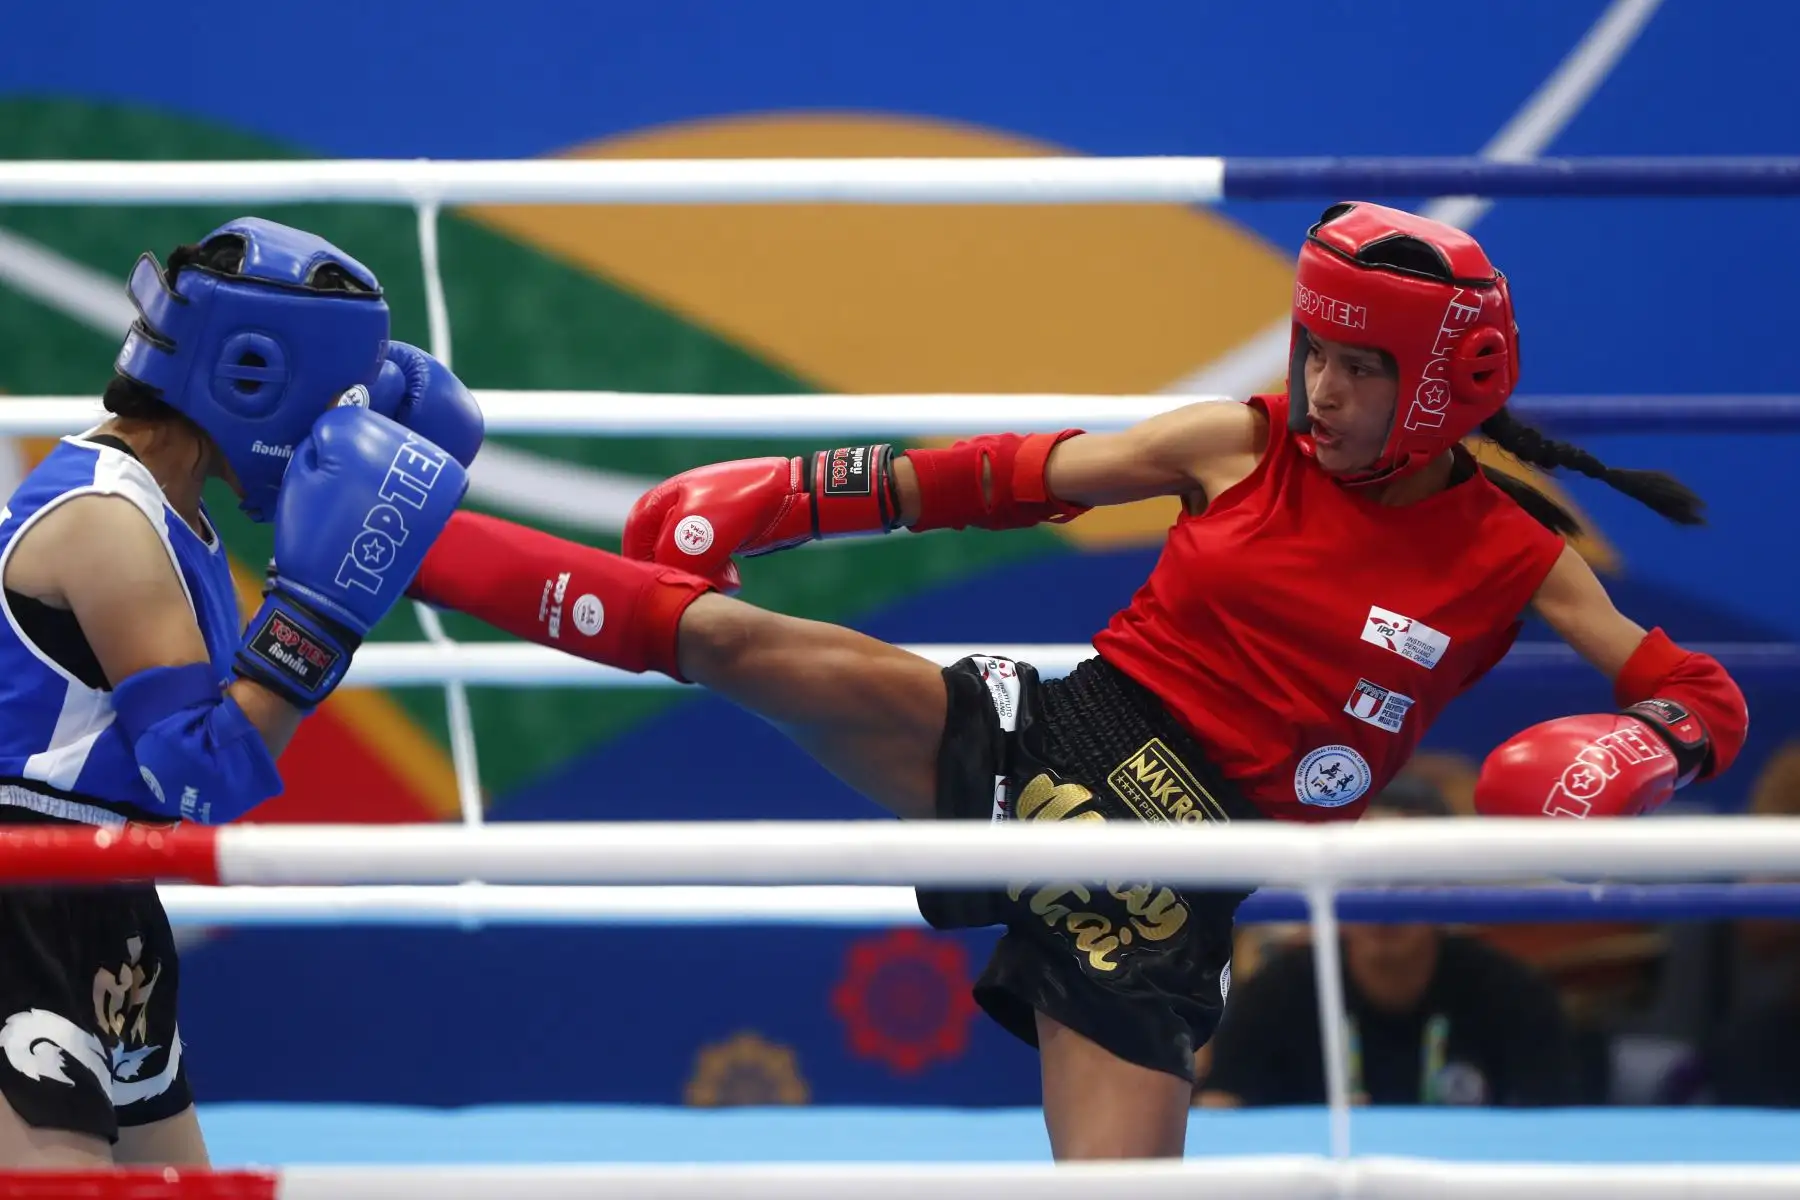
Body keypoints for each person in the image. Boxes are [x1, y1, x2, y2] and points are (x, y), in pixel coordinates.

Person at [400, 201, 1750, 1159]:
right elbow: (1014, 475)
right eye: (1317, 355)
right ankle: (401, 527)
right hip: (1056, 732)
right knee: (748, 645)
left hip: (1179, 872)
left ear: (1451, 387)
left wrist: (1639, 750)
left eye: (1362, 369)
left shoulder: (1514, 557)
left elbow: (1697, 689)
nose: (1325, 391)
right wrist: (785, 499)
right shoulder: (1244, 442)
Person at [0, 218, 474, 1168]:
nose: (341, 426)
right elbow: (199, 781)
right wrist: (322, 618)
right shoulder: (107, 521)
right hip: (19, 888)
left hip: (105, 899)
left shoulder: (180, 522)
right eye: (338, 395)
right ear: (252, 374)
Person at [1196, 776, 1581, 1108]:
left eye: (1405, 874)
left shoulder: (1513, 995)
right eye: (1365, 875)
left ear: (1446, 883)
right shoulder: (1276, 991)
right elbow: (1219, 1109)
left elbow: (1553, 1133)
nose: (1383, 899)